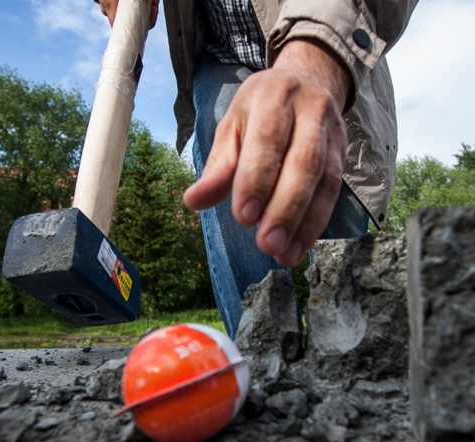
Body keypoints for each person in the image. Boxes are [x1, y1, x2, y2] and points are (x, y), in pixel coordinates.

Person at [95, 0, 418, 339]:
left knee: (338, 225)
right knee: (224, 141)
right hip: (224, 53)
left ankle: (344, 354)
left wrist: (319, 50)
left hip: (328, 32)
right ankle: (261, 350)